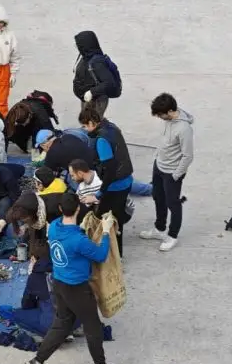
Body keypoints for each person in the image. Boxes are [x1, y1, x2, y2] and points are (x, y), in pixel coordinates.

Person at [25, 194, 122, 364]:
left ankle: (37, 362)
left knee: (62, 324)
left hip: (59, 283)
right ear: (78, 209)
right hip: (77, 288)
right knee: (93, 327)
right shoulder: (79, 240)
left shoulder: (53, 227)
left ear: (60, 210)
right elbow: (101, 255)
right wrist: (105, 231)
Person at [139, 93, 194, 252]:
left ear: (170, 111)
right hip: (159, 166)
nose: (159, 117)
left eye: (161, 114)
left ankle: (172, 235)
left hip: (172, 172)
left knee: (173, 203)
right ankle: (159, 228)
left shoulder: (184, 129)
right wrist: (157, 158)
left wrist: (177, 174)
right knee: (158, 197)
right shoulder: (168, 120)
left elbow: (188, 156)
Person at [77, 107, 133, 256]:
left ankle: (111, 256)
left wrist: (98, 194)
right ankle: (118, 255)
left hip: (115, 186)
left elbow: (110, 170)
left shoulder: (101, 140)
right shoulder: (111, 127)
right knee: (117, 218)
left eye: (84, 126)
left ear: (91, 123)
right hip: (126, 180)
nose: (84, 130)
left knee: (105, 220)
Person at [72, 31, 119, 117]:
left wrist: (91, 92)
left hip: (96, 101)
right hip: (87, 100)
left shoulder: (97, 62)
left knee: (93, 125)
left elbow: (109, 83)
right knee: (88, 125)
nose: (77, 46)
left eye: (79, 44)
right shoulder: (84, 57)